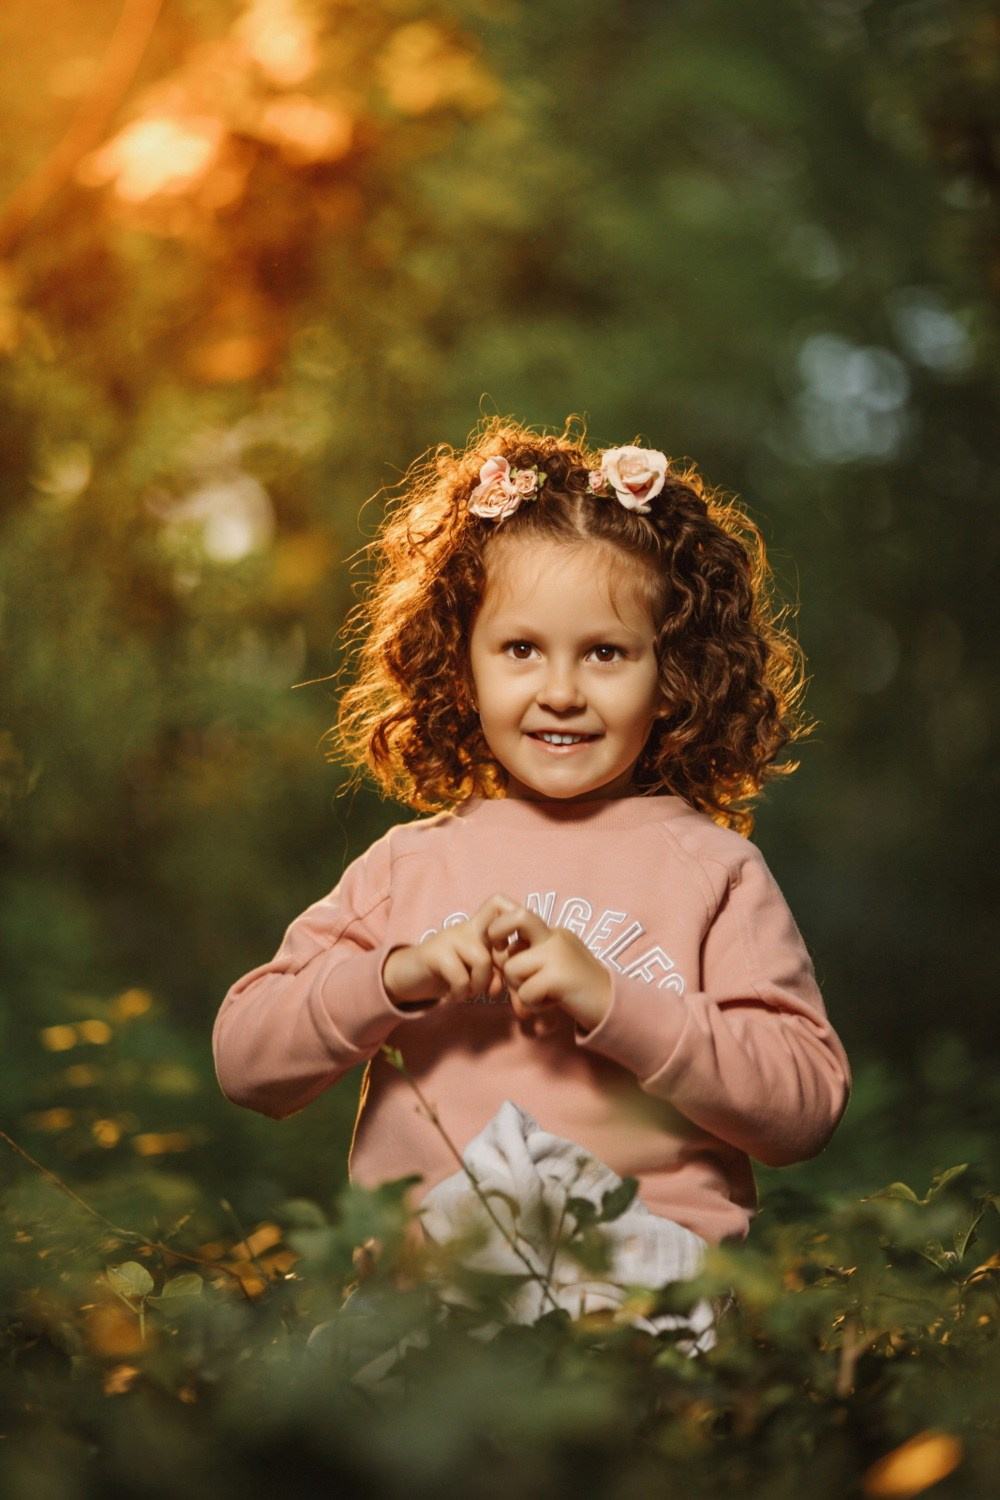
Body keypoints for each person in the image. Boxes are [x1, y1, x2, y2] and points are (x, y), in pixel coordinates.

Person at [212, 418, 851, 1326]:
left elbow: (803, 1106)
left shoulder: (715, 871)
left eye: (605, 652)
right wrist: (397, 975)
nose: (560, 690)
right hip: (427, 1293)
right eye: (520, 649)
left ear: (671, 677)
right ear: (460, 665)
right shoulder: (410, 868)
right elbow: (246, 1060)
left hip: (649, 1291)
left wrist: (613, 1003)